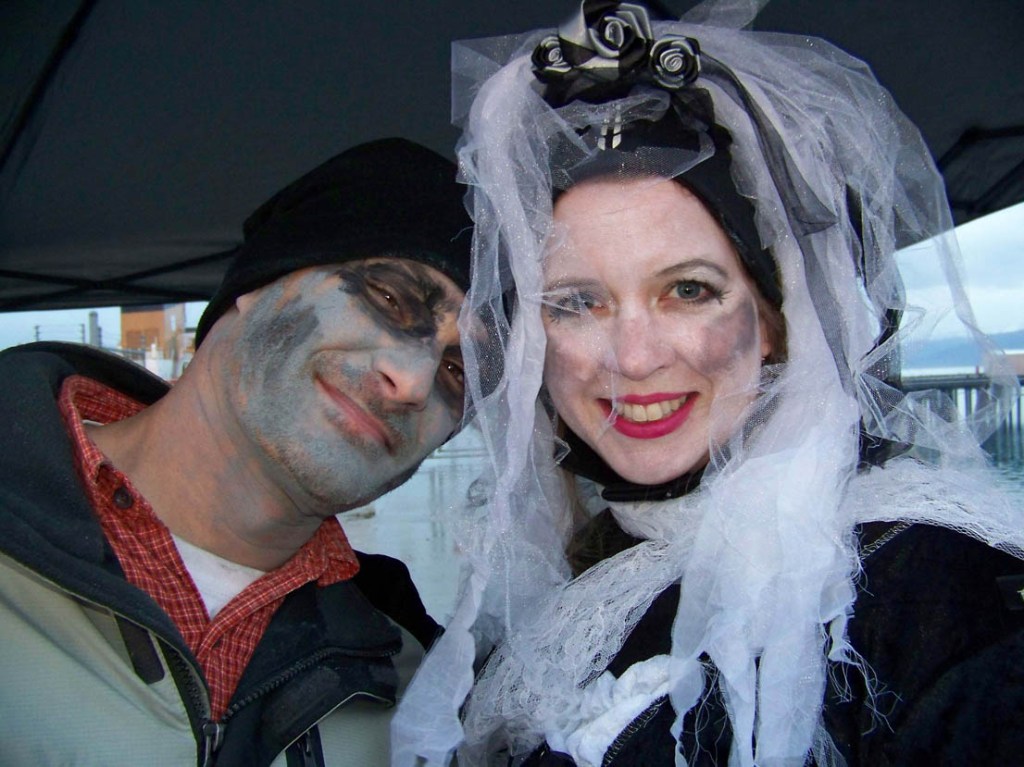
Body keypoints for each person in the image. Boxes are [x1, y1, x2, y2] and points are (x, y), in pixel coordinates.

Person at [392, 3, 1024, 766]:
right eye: (576, 302)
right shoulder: (562, 586)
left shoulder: (928, 591)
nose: (631, 356)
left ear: (778, 317)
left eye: (688, 290)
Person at [0, 137, 473, 766]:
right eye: (389, 298)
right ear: (259, 281)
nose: (413, 382)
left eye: (458, 371)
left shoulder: (419, 689)